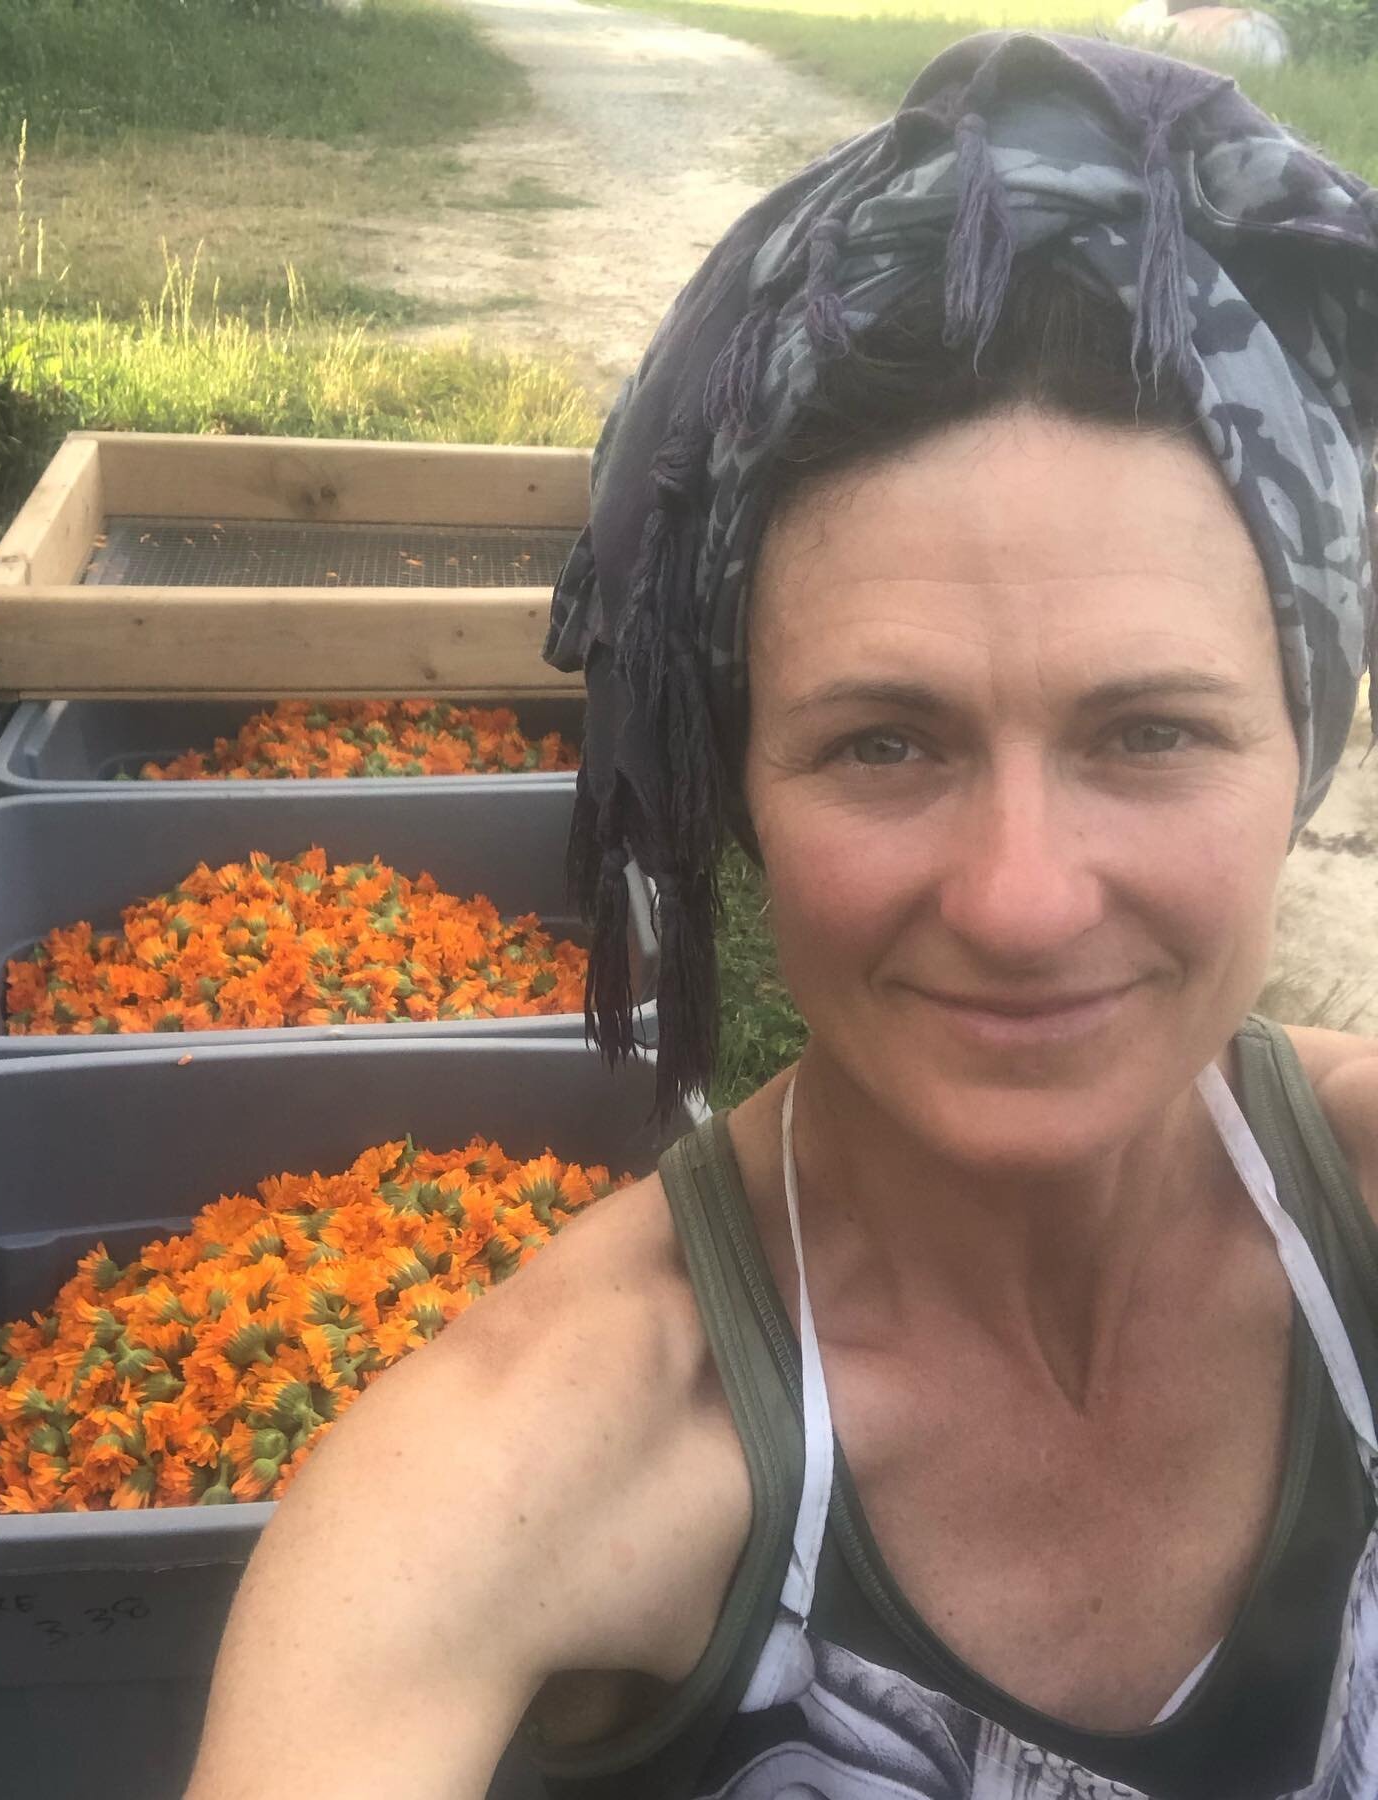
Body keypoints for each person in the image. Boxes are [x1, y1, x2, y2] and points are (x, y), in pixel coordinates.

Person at [184, 29, 1378, 1800]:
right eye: (883, 743)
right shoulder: (523, 1470)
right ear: (735, 785)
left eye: (1151, 733)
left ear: (1307, 747)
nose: (1026, 899)